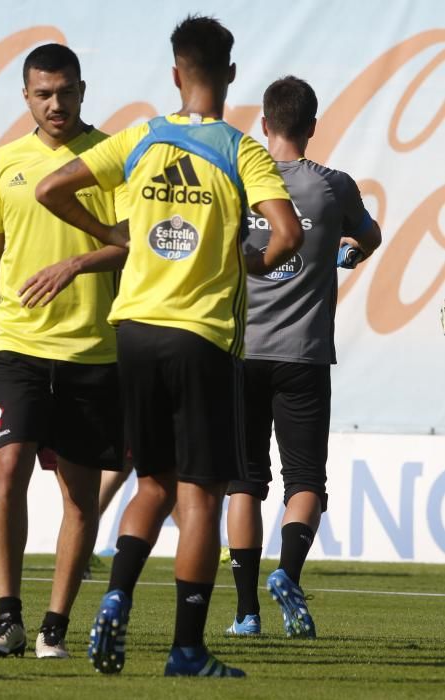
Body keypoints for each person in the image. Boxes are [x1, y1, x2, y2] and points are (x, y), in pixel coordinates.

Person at [36, 15, 303, 677]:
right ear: (230, 75)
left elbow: (50, 187)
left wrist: (106, 230)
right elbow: (288, 234)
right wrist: (256, 262)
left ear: (176, 73)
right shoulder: (241, 150)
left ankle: (117, 595)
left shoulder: (139, 138)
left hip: (132, 331)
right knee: (200, 495)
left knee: (148, 481)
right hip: (200, 336)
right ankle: (185, 648)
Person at [0, 43, 128, 659]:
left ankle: (54, 626)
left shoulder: (113, 158)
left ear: (82, 90)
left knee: (79, 495)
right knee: (8, 466)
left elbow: (134, 243)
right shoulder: (5, 163)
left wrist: (78, 264)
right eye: (43, 93)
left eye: (65, 92)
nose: (55, 103)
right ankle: (7, 617)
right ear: (26, 96)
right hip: (18, 345)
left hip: (94, 349)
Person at [224, 76, 382, 639]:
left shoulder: (239, 184)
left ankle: (245, 614)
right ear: (312, 127)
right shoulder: (333, 188)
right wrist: (351, 247)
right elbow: (373, 234)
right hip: (304, 357)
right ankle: (287, 575)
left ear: (264, 125)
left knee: (242, 482)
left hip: (240, 354)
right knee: (305, 480)